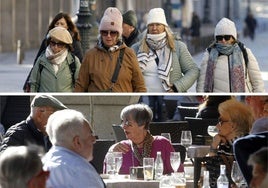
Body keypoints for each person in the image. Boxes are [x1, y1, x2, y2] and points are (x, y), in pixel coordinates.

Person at [74, 7, 146, 92]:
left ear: (118, 34)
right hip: (97, 104)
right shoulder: (90, 55)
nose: (108, 36)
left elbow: (140, 87)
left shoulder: (129, 54)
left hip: (123, 104)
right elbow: (80, 86)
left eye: (113, 32)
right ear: (100, 33)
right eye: (105, 32)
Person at [131, 8, 199, 92]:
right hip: (144, 98)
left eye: (158, 24)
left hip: (170, 99)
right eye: (151, 25)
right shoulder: (136, 48)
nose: (154, 28)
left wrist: (177, 87)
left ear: (164, 26)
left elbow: (193, 70)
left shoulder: (177, 46)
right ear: (147, 27)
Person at [104, 103, 177, 175]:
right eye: (122, 122)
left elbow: (177, 173)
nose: (123, 127)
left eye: (127, 123)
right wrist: (110, 153)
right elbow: (107, 176)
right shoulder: (121, 148)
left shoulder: (162, 144)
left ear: (142, 124)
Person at [196, 17, 264, 92]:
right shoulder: (209, 55)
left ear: (233, 37)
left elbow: (258, 83)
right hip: (218, 102)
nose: (223, 40)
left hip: (243, 102)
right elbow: (201, 85)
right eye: (220, 37)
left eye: (227, 37)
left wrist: (257, 101)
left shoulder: (245, 52)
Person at [42, 109, 105, 188]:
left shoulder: (42, 164)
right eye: (90, 135)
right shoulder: (80, 170)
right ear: (77, 142)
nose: (94, 140)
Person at [23, 12, 83, 92]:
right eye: (57, 23)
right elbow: (35, 79)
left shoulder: (74, 57)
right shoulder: (42, 58)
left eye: (62, 24)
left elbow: (78, 82)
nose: (56, 47)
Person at [205, 99, 254, 188]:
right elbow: (212, 177)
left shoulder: (246, 145)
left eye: (221, 121)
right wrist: (214, 146)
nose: (217, 126)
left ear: (233, 125)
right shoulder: (225, 145)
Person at [0, 95, 67, 152]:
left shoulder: (51, 135)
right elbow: (5, 160)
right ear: (40, 114)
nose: (57, 119)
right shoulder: (18, 133)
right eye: (53, 115)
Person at [29, 27, 81, 92]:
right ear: (49, 42)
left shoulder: (74, 61)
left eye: (60, 44)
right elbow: (34, 84)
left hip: (65, 101)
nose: (55, 47)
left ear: (66, 45)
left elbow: (79, 85)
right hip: (44, 101)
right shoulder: (41, 60)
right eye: (53, 43)